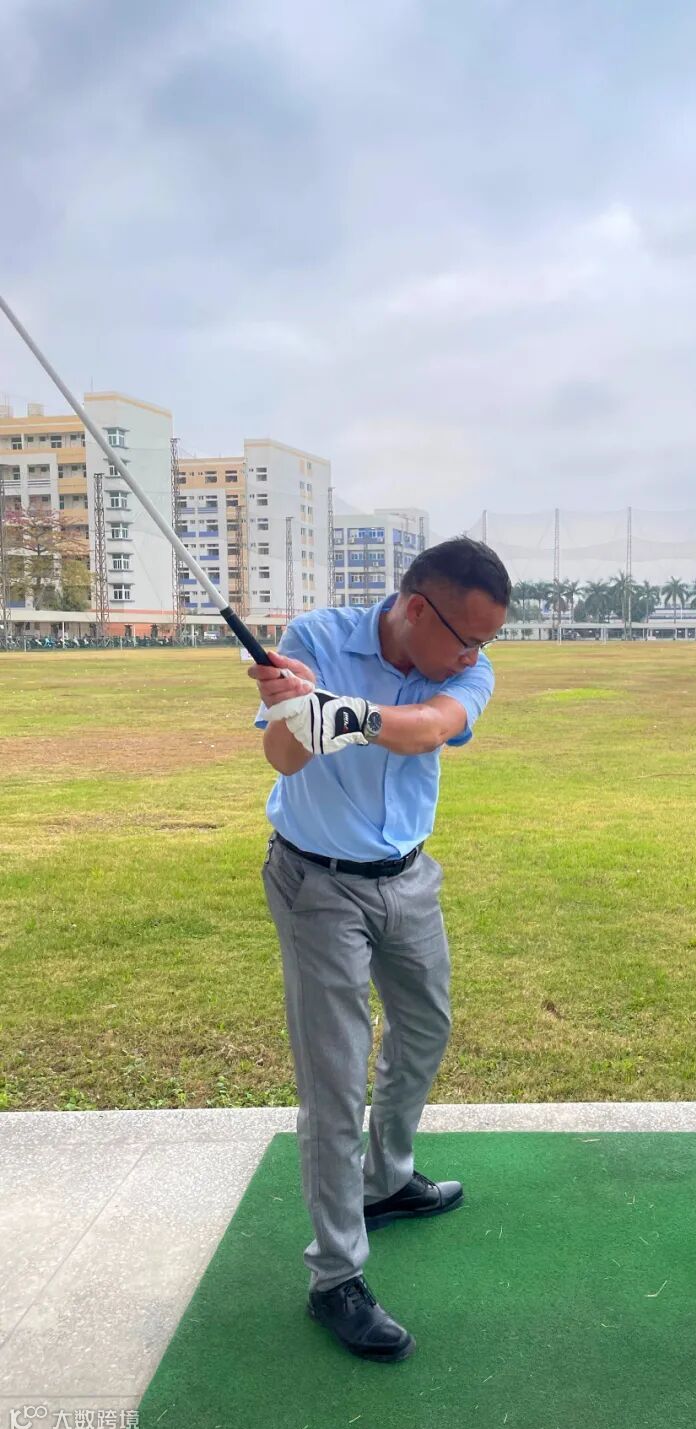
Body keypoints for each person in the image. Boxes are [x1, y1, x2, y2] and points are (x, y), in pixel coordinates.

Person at [248, 537, 509, 1362]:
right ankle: (335, 1276)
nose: (474, 657)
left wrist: (343, 714)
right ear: (415, 607)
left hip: (409, 877)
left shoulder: (466, 671)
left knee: (425, 1029)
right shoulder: (318, 639)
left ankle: (386, 1179)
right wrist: (297, 708)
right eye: (466, 638)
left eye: (486, 642)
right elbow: (282, 756)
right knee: (334, 1080)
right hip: (318, 884)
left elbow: (431, 728)